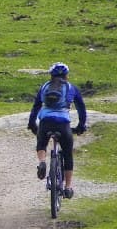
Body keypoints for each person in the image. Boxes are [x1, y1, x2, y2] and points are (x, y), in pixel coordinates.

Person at [28, 62, 87, 199]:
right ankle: (68, 187)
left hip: (46, 122)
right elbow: (81, 108)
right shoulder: (71, 87)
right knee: (67, 154)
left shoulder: (44, 87)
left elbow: (36, 106)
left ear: (51, 75)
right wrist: (81, 126)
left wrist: (32, 124)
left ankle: (42, 162)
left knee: (41, 143)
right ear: (66, 75)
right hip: (63, 124)